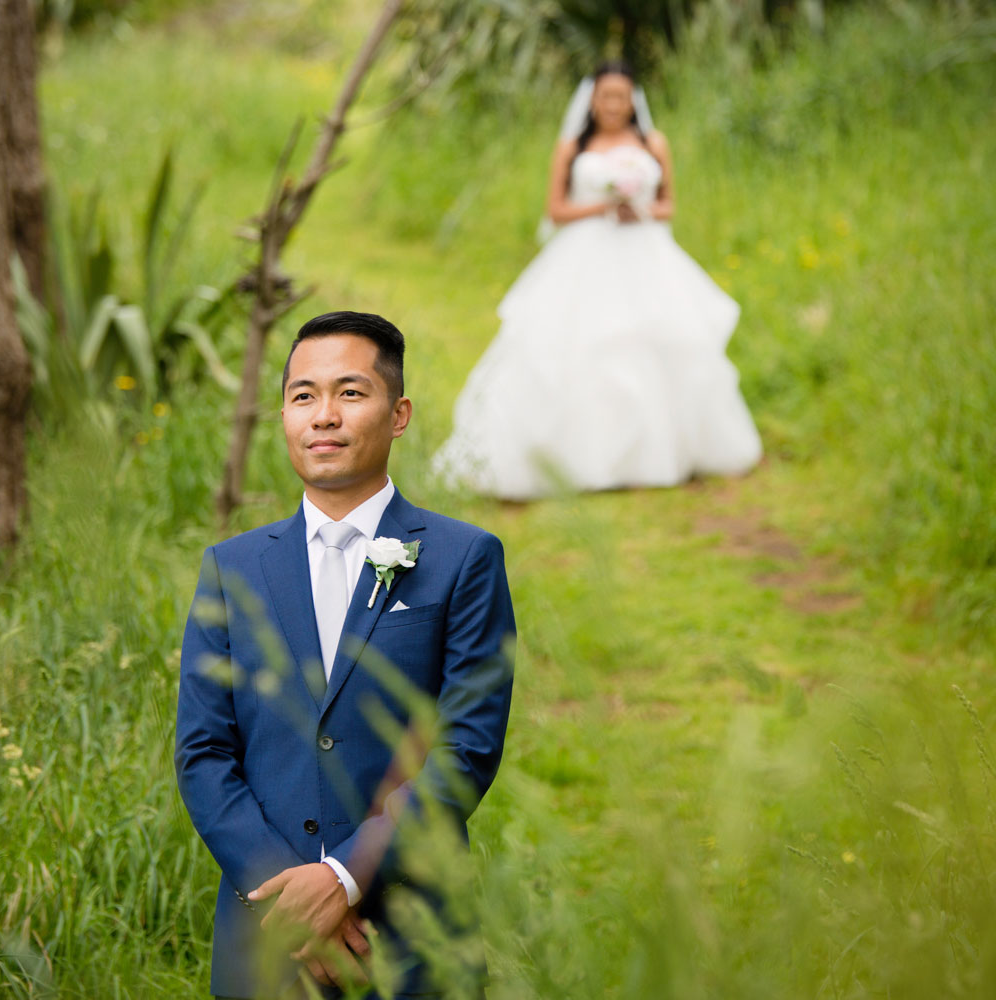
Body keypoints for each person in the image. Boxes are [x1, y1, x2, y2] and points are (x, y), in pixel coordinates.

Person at [175, 311, 516, 998]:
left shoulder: (462, 559)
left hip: (412, 936)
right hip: (268, 935)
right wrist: (290, 896)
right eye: (304, 396)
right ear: (283, 416)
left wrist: (346, 877)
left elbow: (466, 747)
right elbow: (204, 753)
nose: (323, 416)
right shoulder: (230, 569)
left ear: (398, 414)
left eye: (350, 393)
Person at [433, 61, 762, 499]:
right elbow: (557, 210)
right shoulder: (572, 147)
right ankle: (580, 457)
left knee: (653, 343)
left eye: (621, 97)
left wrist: (637, 208)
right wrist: (605, 204)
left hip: (644, 251)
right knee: (580, 345)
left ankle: (660, 454)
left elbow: (668, 206)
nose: (613, 105)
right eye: (605, 97)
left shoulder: (653, 143)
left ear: (633, 101)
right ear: (593, 100)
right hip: (585, 253)